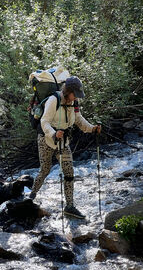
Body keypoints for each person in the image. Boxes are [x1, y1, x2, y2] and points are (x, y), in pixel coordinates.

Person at [29, 76, 101, 219]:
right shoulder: (53, 100)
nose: (76, 98)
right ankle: (31, 196)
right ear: (68, 91)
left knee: (69, 172)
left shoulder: (73, 102)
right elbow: (44, 121)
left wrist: (92, 128)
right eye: (75, 94)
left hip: (63, 142)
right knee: (45, 170)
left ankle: (69, 206)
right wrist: (54, 133)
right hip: (46, 139)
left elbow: (79, 120)